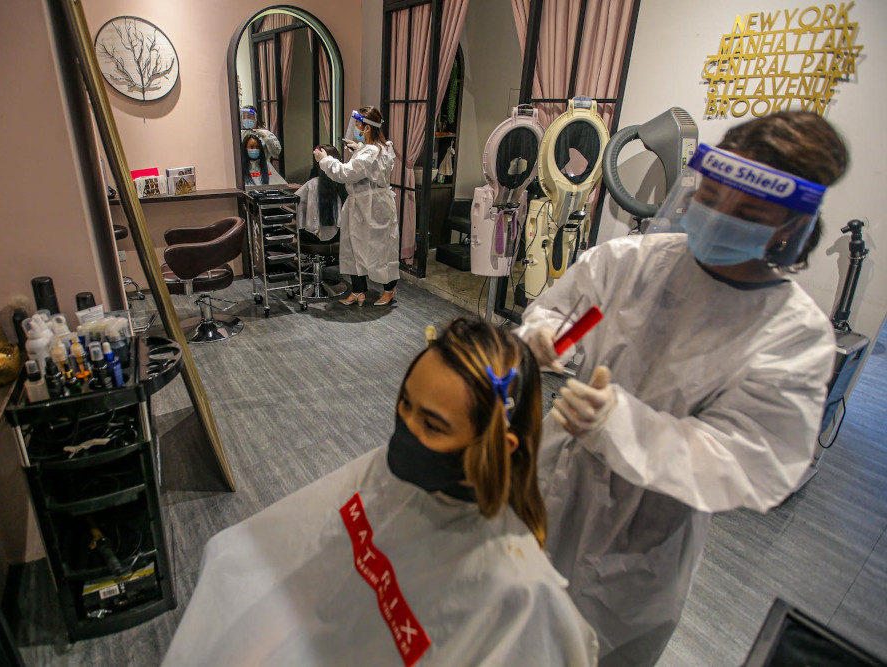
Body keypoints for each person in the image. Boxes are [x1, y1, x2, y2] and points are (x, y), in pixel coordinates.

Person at [517, 111, 849, 666]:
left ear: (789, 227)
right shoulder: (632, 264)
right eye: (712, 196)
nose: (718, 217)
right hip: (549, 482)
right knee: (506, 622)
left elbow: (747, 458)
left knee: (591, 650)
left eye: (748, 213)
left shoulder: (793, 336)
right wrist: (547, 338)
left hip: (641, 538)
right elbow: (573, 317)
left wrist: (616, 424)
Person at [163, 319, 598, 666]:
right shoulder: (395, 474)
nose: (404, 432)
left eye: (433, 424)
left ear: (498, 446)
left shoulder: (520, 596)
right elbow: (314, 567)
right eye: (405, 405)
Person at [314, 107, 400, 307]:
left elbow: (346, 173)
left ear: (367, 128)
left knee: (380, 248)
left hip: (372, 207)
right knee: (354, 247)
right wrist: (357, 148)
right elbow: (369, 166)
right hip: (365, 205)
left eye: (359, 125)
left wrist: (325, 160)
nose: (356, 128)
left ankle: (390, 289)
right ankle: (358, 290)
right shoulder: (382, 147)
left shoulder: (371, 151)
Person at [295, 143, 348, 242]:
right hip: (340, 235)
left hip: (312, 236)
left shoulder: (312, 184)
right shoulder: (346, 184)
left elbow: (295, 201)